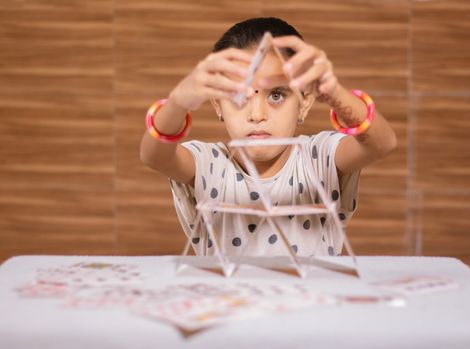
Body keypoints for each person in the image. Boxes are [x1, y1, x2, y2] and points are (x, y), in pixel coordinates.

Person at [140, 17, 397, 257]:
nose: (257, 114)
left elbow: (382, 143)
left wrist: (334, 93)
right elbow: (154, 156)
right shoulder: (208, 163)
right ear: (217, 105)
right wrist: (178, 101)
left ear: (305, 102)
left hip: (311, 301)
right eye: (238, 97)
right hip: (229, 302)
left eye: (276, 95)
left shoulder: (321, 157)